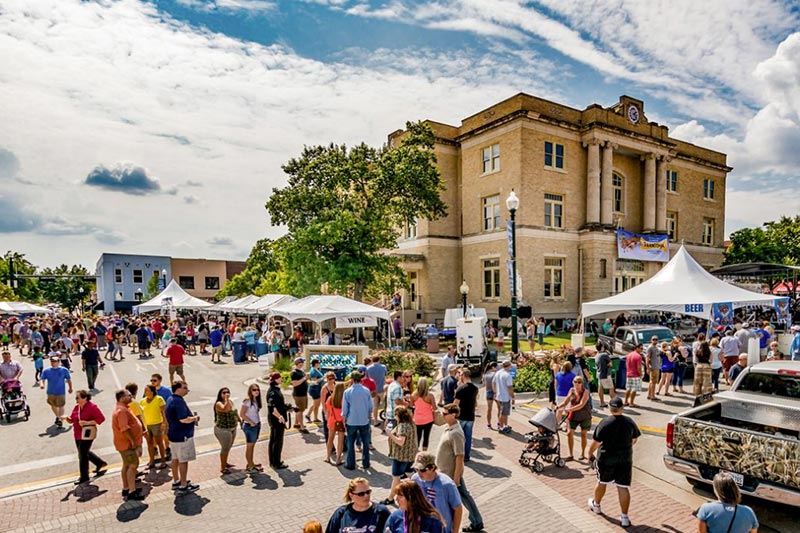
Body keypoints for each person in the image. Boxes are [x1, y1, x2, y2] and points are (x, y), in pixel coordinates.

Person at [587, 396, 641, 528]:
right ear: (622, 408)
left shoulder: (605, 423)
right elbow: (634, 439)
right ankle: (624, 517)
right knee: (623, 487)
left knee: (602, 482)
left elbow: (596, 442)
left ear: (610, 408)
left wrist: (590, 453)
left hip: (606, 458)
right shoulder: (629, 422)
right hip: (625, 459)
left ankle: (597, 505)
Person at [436, 404, 483, 532]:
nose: (442, 415)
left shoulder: (456, 433)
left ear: (453, 415)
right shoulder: (448, 428)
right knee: (464, 497)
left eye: (445, 414)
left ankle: (476, 522)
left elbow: (460, 456)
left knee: (462, 497)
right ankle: (476, 521)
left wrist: (456, 478)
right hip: (445, 473)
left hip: (451, 475)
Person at [64, 389, 107, 485]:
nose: (76, 399)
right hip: (78, 434)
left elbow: (101, 418)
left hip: (87, 434)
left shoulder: (92, 407)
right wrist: (68, 419)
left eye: (77, 397)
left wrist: (87, 422)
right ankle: (99, 463)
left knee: (82, 455)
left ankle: (84, 476)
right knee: (83, 452)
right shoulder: (77, 407)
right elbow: (73, 419)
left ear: (85, 398)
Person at [411, 452, 463, 533]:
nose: (419, 473)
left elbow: (458, 508)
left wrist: (455, 531)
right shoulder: (415, 479)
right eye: (416, 469)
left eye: (422, 470)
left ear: (432, 467)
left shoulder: (447, 484)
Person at [165, 380, 200, 494]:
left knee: (175, 458)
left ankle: (177, 480)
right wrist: (194, 418)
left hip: (173, 435)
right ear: (178, 389)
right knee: (183, 460)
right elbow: (183, 419)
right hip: (182, 436)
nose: (187, 390)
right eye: (185, 388)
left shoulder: (170, 399)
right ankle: (183, 485)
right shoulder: (178, 402)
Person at [112, 388, 145, 500]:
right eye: (129, 395)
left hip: (123, 444)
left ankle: (127, 488)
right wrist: (132, 441)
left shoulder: (123, 408)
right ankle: (132, 491)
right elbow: (124, 428)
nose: (131, 397)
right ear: (122, 398)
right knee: (133, 465)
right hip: (127, 445)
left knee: (126, 465)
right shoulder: (122, 411)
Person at [325, 478, 390, 533]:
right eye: (361, 494)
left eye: (368, 492)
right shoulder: (341, 513)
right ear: (351, 495)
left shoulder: (381, 512)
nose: (366, 496)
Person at [383, 405, 418, 505]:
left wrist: (389, 434)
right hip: (410, 455)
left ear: (400, 415)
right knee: (410, 474)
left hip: (401, 457)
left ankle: (390, 498)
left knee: (396, 478)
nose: (394, 417)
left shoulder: (402, 426)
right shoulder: (411, 424)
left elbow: (400, 442)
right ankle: (423, 489)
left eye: (396, 414)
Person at [343, 371, 373, 470]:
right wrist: (369, 415)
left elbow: (345, 408)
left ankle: (350, 464)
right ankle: (366, 463)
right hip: (364, 420)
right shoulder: (366, 390)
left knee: (350, 442)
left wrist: (344, 418)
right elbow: (370, 406)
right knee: (365, 442)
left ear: (352, 379)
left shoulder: (347, 392)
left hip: (351, 420)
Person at [557, 376, 592, 461]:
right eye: (575, 382)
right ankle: (570, 454)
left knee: (583, 434)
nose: (577, 384)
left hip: (585, 415)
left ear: (582, 383)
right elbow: (566, 401)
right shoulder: (571, 390)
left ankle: (583, 453)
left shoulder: (585, 392)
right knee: (569, 433)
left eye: (579, 382)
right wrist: (558, 406)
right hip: (574, 415)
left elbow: (581, 405)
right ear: (573, 382)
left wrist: (569, 409)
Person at [453, 368, 478, 462]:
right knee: (468, 437)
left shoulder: (461, 389)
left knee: (459, 438)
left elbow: (455, 404)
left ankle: (459, 456)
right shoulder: (475, 388)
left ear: (463, 376)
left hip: (461, 416)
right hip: (470, 416)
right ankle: (466, 456)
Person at [40, 355, 72, 428]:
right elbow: (42, 379)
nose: (53, 362)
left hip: (61, 391)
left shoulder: (64, 370)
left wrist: (70, 388)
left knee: (61, 405)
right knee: (53, 405)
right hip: (50, 392)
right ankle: (58, 416)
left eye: (55, 361)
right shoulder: (46, 371)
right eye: (52, 361)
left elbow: (68, 379)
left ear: (59, 362)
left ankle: (60, 419)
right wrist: (42, 384)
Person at [141, 384, 168, 468]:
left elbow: (164, 412)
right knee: (150, 444)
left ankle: (163, 460)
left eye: (147, 390)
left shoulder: (159, 399)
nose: (145, 392)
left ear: (152, 391)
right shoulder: (142, 401)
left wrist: (164, 423)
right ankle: (151, 461)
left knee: (159, 443)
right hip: (147, 425)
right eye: (145, 390)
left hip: (157, 424)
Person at [214, 386, 239, 475]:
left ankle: (225, 462)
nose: (226, 394)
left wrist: (239, 420)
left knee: (228, 447)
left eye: (227, 392)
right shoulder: (219, 403)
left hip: (232, 428)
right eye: (223, 393)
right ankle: (223, 467)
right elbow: (225, 409)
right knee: (225, 448)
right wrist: (226, 399)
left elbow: (234, 412)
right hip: (223, 430)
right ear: (220, 394)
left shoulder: (230, 402)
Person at [266, 372, 289, 469]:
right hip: (277, 421)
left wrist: (287, 408)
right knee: (277, 441)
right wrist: (279, 416)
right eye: (279, 377)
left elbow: (278, 405)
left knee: (273, 440)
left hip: (275, 419)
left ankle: (273, 461)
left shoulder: (274, 390)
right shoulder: (273, 392)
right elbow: (272, 407)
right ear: (275, 380)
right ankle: (276, 462)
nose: (281, 379)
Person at [240, 383, 263, 472]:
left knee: (252, 446)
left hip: (256, 425)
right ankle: (250, 466)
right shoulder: (247, 401)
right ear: (250, 391)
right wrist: (251, 422)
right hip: (250, 426)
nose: (256, 391)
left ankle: (251, 463)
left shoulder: (255, 400)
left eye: (257, 390)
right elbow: (242, 414)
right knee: (249, 446)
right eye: (254, 390)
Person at [412, 377, 436, 451]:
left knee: (417, 437)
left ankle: (415, 453)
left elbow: (412, 406)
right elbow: (435, 408)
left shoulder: (413, 395)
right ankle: (424, 454)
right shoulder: (430, 395)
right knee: (426, 437)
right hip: (428, 419)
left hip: (417, 420)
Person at [325, 382, 346, 466]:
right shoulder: (344, 399)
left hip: (332, 420)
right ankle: (338, 459)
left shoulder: (330, 398)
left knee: (330, 439)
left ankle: (328, 457)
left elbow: (328, 410)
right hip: (341, 421)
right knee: (340, 441)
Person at [492, 361, 514, 434]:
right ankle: (501, 427)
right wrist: (513, 397)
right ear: (508, 366)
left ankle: (505, 425)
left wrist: (495, 392)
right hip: (505, 396)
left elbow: (493, 383)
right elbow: (510, 388)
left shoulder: (498, 373)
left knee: (503, 411)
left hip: (499, 395)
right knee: (503, 413)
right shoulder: (507, 375)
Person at [366, 355, 387, 427]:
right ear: (379, 359)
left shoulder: (368, 368)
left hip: (373, 390)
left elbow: (368, 378)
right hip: (382, 388)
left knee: (375, 406)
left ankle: (375, 421)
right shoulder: (383, 367)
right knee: (385, 405)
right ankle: (386, 421)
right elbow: (385, 375)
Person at [291, 357, 310, 432]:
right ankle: (302, 426)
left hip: (303, 393)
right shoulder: (294, 373)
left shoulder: (301, 371)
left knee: (300, 409)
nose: (303, 363)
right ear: (298, 363)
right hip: (299, 394)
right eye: (302, 362)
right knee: (300, 410)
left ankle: (296, 423)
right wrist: (304, 378)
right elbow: (295, 384)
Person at [594, 343, 615, 407]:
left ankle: (602, 402)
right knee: (611, 388)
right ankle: (613, 403)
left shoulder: (597, 355)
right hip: (606, 374)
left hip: (599, 373)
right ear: (602, 347)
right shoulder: (605, 355)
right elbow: (610, 364)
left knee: (600, 388)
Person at [481, 362, 498, 429]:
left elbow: (484, 384)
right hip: (495, 392)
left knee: (489, 409)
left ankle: (489, 424)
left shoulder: (485, 374)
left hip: (488, 392)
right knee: (500, 408)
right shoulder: (495, 374)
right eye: (496, 367)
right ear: (493, 367)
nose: (497, 369)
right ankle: (499, 423)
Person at [308, 359, 325, 423]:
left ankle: (308, 415)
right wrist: (322, 378)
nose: (319, 364)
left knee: (316, 403)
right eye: (318, 363)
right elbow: (314, 381)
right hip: (315, 389)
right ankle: (315, 418)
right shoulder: (313, 371)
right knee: (317, 405)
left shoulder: (315, 370)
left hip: (317, 389)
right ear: (315, 364)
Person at [645, 336, 660, 401]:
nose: (655, 341)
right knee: (653, 382)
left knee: (651, 382)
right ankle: (652, 396)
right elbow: (647, 358)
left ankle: (649, 395)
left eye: (656, 339)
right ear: (651, 340)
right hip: (653, 367)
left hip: (656, 366)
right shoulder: (650, 348)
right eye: (653, 339)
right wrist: (648, 368)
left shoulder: (656, 347)